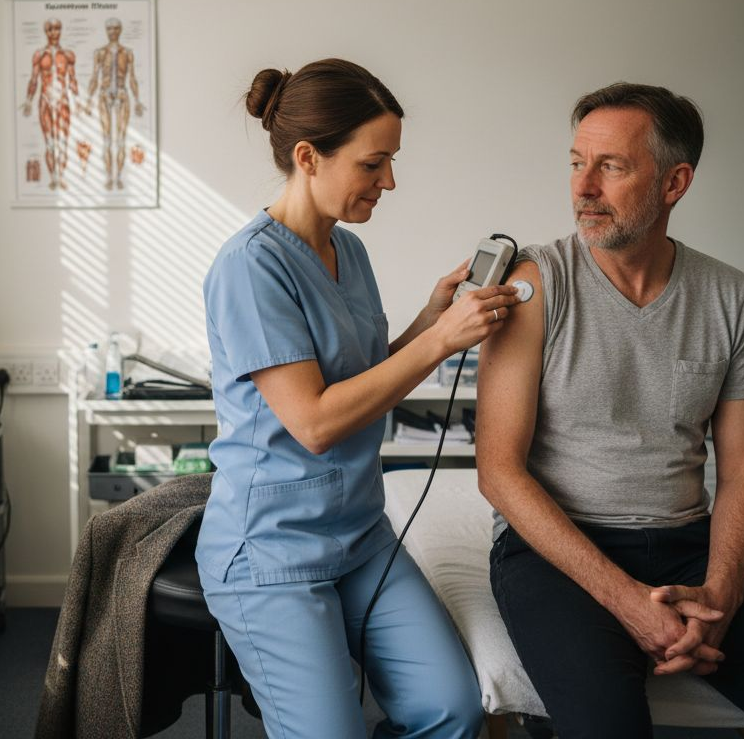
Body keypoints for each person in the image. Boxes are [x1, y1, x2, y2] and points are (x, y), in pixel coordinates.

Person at [475, 82, 744, 737]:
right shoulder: (535, 284)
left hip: (688, 548)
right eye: (577, 162)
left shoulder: (729, 295)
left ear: (675, 183)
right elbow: (499, 472)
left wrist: (722, 596)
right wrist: (632, 606)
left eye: (611, 166)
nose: (583, 188)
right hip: (559, 552)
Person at [198, 58, 519, 739]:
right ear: (310, 157)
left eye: (392, 162)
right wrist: (437, 345)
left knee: (452, 712)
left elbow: (362, 377)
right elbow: (315, 421)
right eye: (375, 164)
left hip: (359, 534)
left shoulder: (349, 251)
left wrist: (433, 318)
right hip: (273, 552)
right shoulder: (249, 266)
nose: (390, 181)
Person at [82, 17, 145, 190]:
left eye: (116, 28)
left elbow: (132, 78)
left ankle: (119, 178)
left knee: (121, 140)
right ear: (106, 30)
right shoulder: (100, 53)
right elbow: (94, 77)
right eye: (109, 28)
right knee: (107, 140)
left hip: (122, 94)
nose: (113, 32)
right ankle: (109, 177)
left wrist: (138, 100)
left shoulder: (128, 52)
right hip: (104, 95)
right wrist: (88, 100)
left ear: (120, 30)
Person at [21, 18, 77, 190]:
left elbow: (73, 80)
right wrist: (28, 100)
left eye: (58, 29)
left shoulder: (68, 55)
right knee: (50, 144)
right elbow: (33, 79)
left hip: (63, 100)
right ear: (46, 32)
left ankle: (62, 177)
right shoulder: (39, 55)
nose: (55, 33)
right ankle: (54, 178)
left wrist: (79, 101)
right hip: (45, 100)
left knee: (63, 143)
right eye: (51, 29)